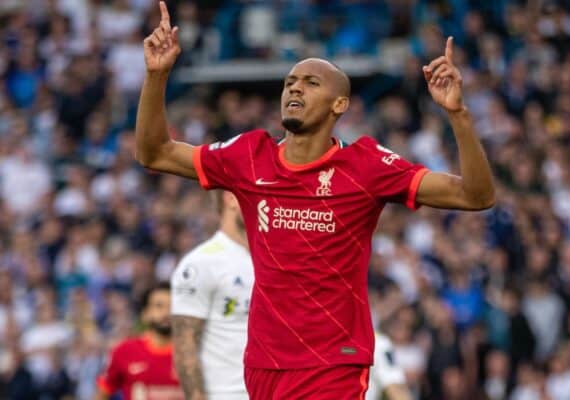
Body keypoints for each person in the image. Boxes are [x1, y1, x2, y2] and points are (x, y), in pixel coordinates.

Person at [135, 2, 494, 398]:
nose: (295, 88)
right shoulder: (249, 155)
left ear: (339, 104)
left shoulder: (365, 165)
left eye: (310, 82)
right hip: (264, 362)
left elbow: (475, 195)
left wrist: (458, 114)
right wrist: (157, 75)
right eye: (291, 81)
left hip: (333, 361)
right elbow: (155, 153)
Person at [171, 190, 253, 400]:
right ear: (231, 198)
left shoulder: (274, 259)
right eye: (256, 198)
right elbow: (185, 345)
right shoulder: (201, 263)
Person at [95, 282, 184, 400]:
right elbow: (102, 393)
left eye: (172, 307)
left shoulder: (195, 354)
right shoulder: (124, 351)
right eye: (159, 306)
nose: (166, 313)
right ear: (145, 314)